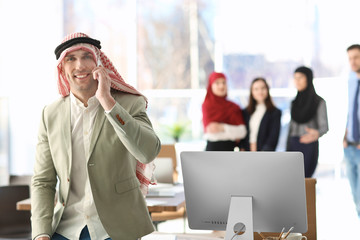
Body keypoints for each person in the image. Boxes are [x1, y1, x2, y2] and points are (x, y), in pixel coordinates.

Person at [31, 32, 161, 240]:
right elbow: (43, 181)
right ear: (62, 70)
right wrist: (41, 233)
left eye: (87, 57)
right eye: (71, 59)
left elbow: (148, 152)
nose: (80, 65)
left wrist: (108, 102)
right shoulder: (50, 114)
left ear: (99, 63)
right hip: (65, 229)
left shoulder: (129, 104)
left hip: (116, 229)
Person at [287, 66, 328, 178]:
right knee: (291, 180)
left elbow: (324, 127)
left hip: (308, 145)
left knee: (305, 180)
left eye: (300, 77)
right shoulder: (294, 103)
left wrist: (317, 134)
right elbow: (291, 128)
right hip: (293, 144)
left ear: (308, 79)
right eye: (295, 78)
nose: (297, 81)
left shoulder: (318, 102)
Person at [202, 72, 247, 151]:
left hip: (229, 150)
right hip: (211, 151)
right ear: (211, 86)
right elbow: (210, 133)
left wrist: (222, 128)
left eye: (224, 82)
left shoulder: (234, 107)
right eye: (217, 83)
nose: (221, 86)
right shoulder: (207, 105)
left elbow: (242, 132)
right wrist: (232, 133)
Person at [240, 77, 281, 151]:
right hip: (246, 153)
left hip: (265, 154)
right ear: (252, 92)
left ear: (267, 90)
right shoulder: (245, 112)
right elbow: (242, 134)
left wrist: (262, 155)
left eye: (263, 88)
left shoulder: (275, 112)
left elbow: (273, 138)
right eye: (256, 89)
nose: (260, 92)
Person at [344, 44, 360, 218]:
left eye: (356, 57)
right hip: (349, 146)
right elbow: (351, 110)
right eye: (350, 58)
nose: (352, 62)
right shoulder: (351, 80)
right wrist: (345, 135)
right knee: (355, 197)